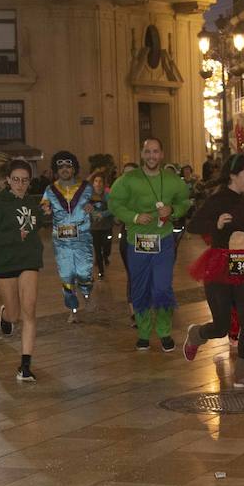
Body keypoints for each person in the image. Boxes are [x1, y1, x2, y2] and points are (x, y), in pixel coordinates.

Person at [182, 155, 244, 388]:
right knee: (221, 326)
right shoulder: (216, 200)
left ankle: (243, 373)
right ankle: (196, 335)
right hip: (218, 265)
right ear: (233, 175)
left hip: (242, 264)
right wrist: (216, 224)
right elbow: (193, 226)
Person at [107, 137, 190, 351]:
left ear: (162, 155)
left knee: (162, 288)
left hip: (164, 241)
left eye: (156, 151)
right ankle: (143, 333)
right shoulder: (128, 179)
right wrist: (134, 217)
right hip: (137, 243)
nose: (152, 156)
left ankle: (164, 331)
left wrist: (172, 210)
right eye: (148, 152)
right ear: (142, 155)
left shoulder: (173, 180)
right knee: (140, 288)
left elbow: (184, 201)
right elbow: (114, 203)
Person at [0, 155, 43, 381]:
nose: (20, 184)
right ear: (8, 179)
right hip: (5, 262)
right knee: (15, 315)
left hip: (29, 261)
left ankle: (25, 366)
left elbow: (39, 223)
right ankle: (6, 314)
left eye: (25, 180)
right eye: (16, 179)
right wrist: (15, 235)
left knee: (30, 309)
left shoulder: (32, 204)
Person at [41, 150, 94, 320]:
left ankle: (86, 290)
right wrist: (45, 210)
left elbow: (99, 204)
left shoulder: (86, 188)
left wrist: (93, 208)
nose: (65, 169)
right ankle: (73, 310)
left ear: (74, 168)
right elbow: (43, 208)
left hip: (83, 237)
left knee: (85, 273)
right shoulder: (49, 190)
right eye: (61, 166)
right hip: (61, 240)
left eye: (68, 166)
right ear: (56, 170)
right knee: (66, 275)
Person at [88, 171, 114, 280]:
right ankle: (101, 271)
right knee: (97, 249)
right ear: (93, 183)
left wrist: (102, 214)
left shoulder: (108, 195)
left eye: (100, 181)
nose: (98, 183)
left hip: (107, 227)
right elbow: (85, 208)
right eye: (96, 181)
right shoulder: (89, 196)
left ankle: (106, 256)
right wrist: (93, 214)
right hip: (94, 228)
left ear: (103, 184)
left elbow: (113, 209)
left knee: (107, 247)